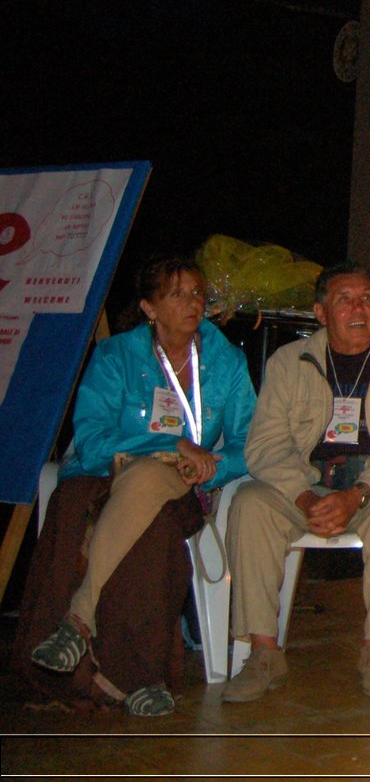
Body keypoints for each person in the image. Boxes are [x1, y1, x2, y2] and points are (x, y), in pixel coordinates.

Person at [15, 255, 255, 716]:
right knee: (140, 493)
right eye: (177, 294)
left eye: (197, 293)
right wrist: (169, 444)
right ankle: (141, 678)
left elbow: (254, 442)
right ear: (148, 307)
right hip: (104, 475)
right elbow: (90, 438)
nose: (193, 303)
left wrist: (212, 466)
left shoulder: (226, 361)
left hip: (184, 486)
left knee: (156, 499)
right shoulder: (115, 356)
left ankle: (78, 619)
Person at [222, 261, 370, 703]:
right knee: (250, 502)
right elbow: (264, 444)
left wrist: (357, 495)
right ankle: (263, 652)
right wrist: (303, 495)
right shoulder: (289, 363)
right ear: (320, 313)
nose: (359, 308)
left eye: (368, 299)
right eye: (345, 299)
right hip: (307, 488)